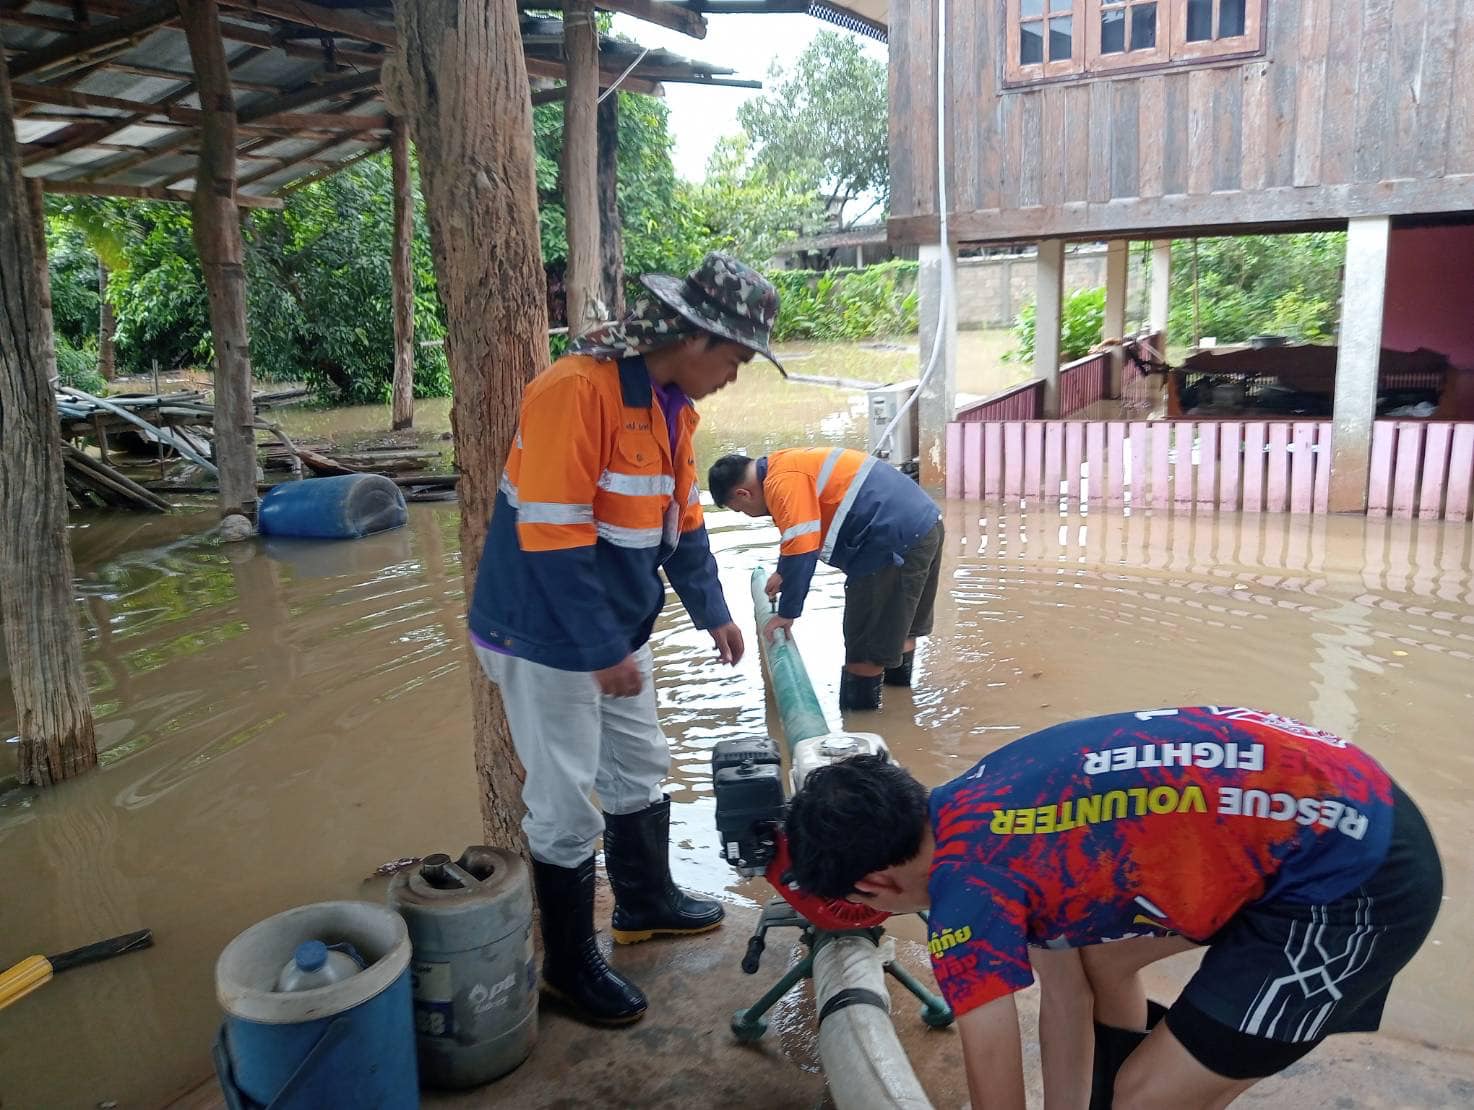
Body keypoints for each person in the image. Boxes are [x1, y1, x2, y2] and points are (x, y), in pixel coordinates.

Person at [783, 707, 1443, 1109]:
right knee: (1096, 963)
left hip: (1358, 883)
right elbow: (1065, 994)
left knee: (1146, 1098)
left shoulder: (965, 907)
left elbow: (995, 1077)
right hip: (1337, 799)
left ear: (873, 887)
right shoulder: (977, 801)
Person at [467, 253, 783, 1026]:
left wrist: (713, 612)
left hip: (611, 629)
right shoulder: (576, 392)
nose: (735, 376)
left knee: (639, 764)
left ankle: (643, 903)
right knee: (564, 802)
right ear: (699, 338)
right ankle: (568, 969)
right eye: (738, 359)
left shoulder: (672, 407)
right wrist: (602, 646)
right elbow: (552, 535)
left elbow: (685, 524)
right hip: (545, 634)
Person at [706, 447, 943, 711]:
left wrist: (787, 612)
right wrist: (784, 572)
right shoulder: (784, 464)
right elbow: (799, 534)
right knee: (901, 630)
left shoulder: (780, 482)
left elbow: (802, 548)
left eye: (740, 510)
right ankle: (901, 716)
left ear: (743, 494)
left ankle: (859, 729)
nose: (747, 515)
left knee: (865, 652)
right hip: (924, 527)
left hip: (889, 543)